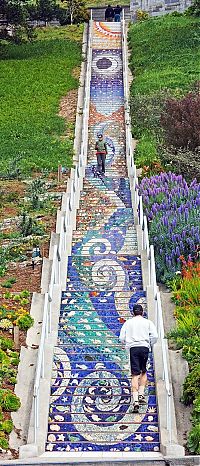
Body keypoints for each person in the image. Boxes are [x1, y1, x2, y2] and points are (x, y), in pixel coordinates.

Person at [119, 303, 158, 413]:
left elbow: (121, 337)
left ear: (133, 312)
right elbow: (155, 336)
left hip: (133, 349)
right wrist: (149, 344)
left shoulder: (128, 323)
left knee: (135, 374)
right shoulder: (148, 322)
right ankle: (141, 394)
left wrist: (127, 343)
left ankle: (135, 401)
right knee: (144, 371)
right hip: (144, 347)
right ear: (142, 312)